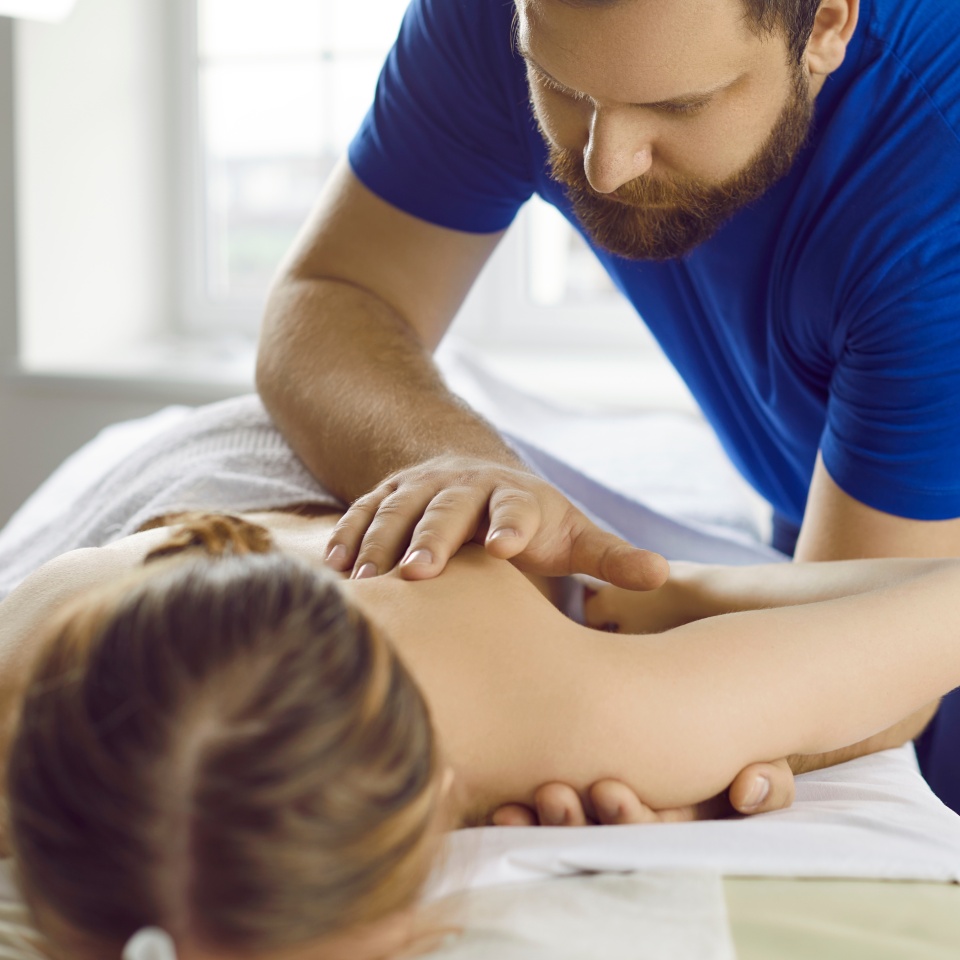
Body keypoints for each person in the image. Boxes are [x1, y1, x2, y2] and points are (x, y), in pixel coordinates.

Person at [254, 0, 960, 814]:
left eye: (678, 106)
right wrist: (460, 469)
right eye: (559, 86)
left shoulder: (933, 185)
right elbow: (332, 294)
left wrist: (655, 762)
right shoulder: (497, 16)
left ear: (828, 25)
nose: (606, 165)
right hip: (816, 498)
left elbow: (883, 664)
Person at [0, 397, 955, 960]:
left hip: (290, 449)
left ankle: (666, 600)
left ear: (443, 791)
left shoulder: (520, 696)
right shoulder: (34, 721)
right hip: (143, 504)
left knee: (644, 608)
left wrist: (711, 751)